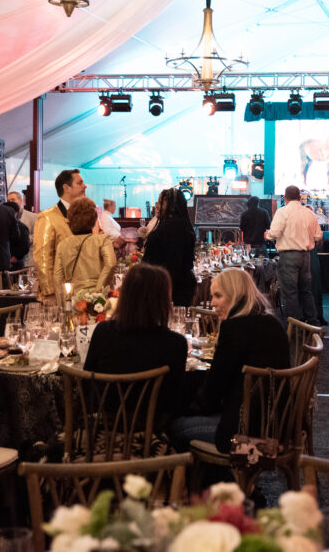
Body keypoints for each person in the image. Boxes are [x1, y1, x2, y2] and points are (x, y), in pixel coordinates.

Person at [169, 268, 290, 452]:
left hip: (244, 434)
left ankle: (204, 470)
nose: (212, 303)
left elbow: (213, 393)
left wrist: (183, 407)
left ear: (235, 295)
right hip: (278, 424)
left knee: (173, 426)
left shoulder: (234, 329)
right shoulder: (272, 322)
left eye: (218, 296)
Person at [84, 263, 186, 428]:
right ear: (163, 300)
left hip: (100, 430)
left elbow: (87, 382)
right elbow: (173, 402)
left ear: (125, 297)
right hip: (149, 434)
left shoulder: (103, 332)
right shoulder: (175, 343)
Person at [265, 185, 320, 323]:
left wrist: (267, 235)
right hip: (306, 256)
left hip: (289, 256)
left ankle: (295, 325)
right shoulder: (309, 213)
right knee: (306, 291)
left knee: (290, 292)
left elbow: (274, 233)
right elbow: (318, 235)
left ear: (285, 198)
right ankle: (313, 322)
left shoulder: (282, 212)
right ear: (300, 197)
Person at [34, 169, 87, 302]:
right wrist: (50, 293)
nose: (85, 186)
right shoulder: (48, 217)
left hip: (85, 291)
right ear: (66, 187)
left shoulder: (86, 215)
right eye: (79, 183)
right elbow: (43, 258)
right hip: (60, 294)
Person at [142, 188, 197, 307]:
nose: (157, 206)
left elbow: (149, 266)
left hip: (163, 287)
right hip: (184, 287)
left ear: (171, 206)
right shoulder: (186, 229)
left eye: (160, 202)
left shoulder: (163, 232)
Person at [53, 198, 116, 295]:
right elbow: (111, 264)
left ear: (70, 219)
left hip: (73, 296)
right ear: (94, 219)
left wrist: (63, 302)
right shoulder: (102, 240)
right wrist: (98, 291)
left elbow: (58, 278)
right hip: (98, 299)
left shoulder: (62, 245)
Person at [7, 191, 37, 268]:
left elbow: (38, 236)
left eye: (13, 200)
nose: (10, 202)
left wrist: (24, 238)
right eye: (8, 201)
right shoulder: (6, 218)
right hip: (10, 260)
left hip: (28, 260)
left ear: (21, 200)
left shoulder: (33, 217)